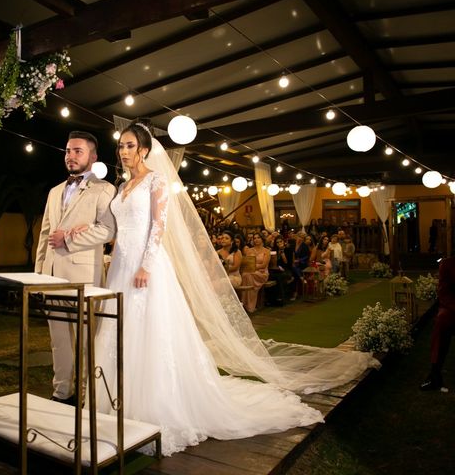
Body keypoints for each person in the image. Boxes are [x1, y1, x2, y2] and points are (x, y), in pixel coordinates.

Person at [85, 123, 378, 456]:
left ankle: (154, 405)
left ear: (144, 149)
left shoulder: (156, 180)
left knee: (148, 330)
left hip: (145, 266)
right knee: (117, 327)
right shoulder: (122, 185)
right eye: (120, 146)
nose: (123, 152)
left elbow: (159, 226)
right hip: (120, 266)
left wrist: (146, 265)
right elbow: (120, 228)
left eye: (129, 146)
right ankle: (114, 402)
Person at [34, 131, 116, 405]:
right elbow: (45, 235)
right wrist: (37, 276)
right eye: (68, 150)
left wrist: (69, 239)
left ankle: (85, 395)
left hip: (84, 277)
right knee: (58, 339)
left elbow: (108, 229)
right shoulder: (55, 191)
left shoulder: (104, 189)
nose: (71, 156)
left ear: (93, 157)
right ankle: (62, 392)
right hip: (51, 277)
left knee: (84, 340)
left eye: (78, 151)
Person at [420, 256, 455, 391]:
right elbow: (444, 293)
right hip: (452, 308)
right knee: (442, 320)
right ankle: (435, 374)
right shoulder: (447, 264)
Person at [241, 233, 270, 313]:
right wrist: (253, 267)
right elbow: (247, 264)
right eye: (255, 238)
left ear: (262, 239)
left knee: (248, 275)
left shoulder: (266, 251)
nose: (256, 239)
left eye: (258, 238)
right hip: (251, 272)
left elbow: (264, 265)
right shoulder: (249, 250)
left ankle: (249, 305)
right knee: (245, 275)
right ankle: (244, 303)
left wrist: (253, 266)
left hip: (262, 273)